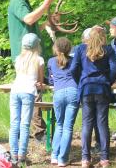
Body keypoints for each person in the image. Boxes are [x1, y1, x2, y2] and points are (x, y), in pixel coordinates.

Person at [8, 0, 57, 144]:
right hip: (24, 56)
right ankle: (38, 133)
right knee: (32, 90)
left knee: (36, 89)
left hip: (31, 54)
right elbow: (29, 20)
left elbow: (33, 28)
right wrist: (46, 4)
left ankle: (36, 131)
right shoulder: (17, 2)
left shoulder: (25, 3)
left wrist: (47, 24)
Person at [71, 27, 116, 168]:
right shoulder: (108, 49)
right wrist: (108, 81)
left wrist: (81, 80)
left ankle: (85, 159)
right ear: (103, 36)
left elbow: (73, 69)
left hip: (86, 88)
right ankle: (104, 159)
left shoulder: (80, 49)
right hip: (102, 88)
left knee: (87, 124)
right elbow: (114, 69)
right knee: (102, 123)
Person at [8, 33, 45, 166]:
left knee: (14, 124)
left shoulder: (18, 59)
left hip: (15, 91)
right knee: (24, 125)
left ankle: (13, 156)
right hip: (28, 92)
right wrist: (40, 86)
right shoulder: (39, 60)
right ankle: (22, 156)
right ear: (37, 46)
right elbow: (40, 81)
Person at [48, 37, 79, 167]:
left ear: (55, 48)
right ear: (70, 49)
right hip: (73, 91)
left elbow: (51, 81)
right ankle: (63, 159)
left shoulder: (50, 61)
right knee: (68, 127)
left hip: (58, 93)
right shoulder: (75, 61)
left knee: (59, 125)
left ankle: (54, 156)